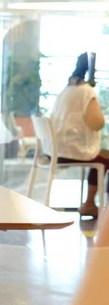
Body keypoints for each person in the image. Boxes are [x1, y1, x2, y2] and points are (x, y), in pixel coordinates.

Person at [51, 52, 108, 218]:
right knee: (105, 159)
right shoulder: (86, 91)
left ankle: (89, 202)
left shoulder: (65, 90)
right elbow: (97, 123)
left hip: (57, 149)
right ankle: (90, 204)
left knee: (102, 157)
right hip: (73, 151)